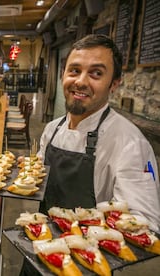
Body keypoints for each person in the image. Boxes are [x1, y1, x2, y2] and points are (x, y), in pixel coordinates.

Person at [37, 34, 160, 230]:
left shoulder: (130, 143)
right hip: (41, 243)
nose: (80, 81)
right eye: (74, 70)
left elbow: (143, 222)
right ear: (63, 75)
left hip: (94, 254)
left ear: (114, 84)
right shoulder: (52, 129)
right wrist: (30, 173)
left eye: (96, 73)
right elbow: (41, 179)